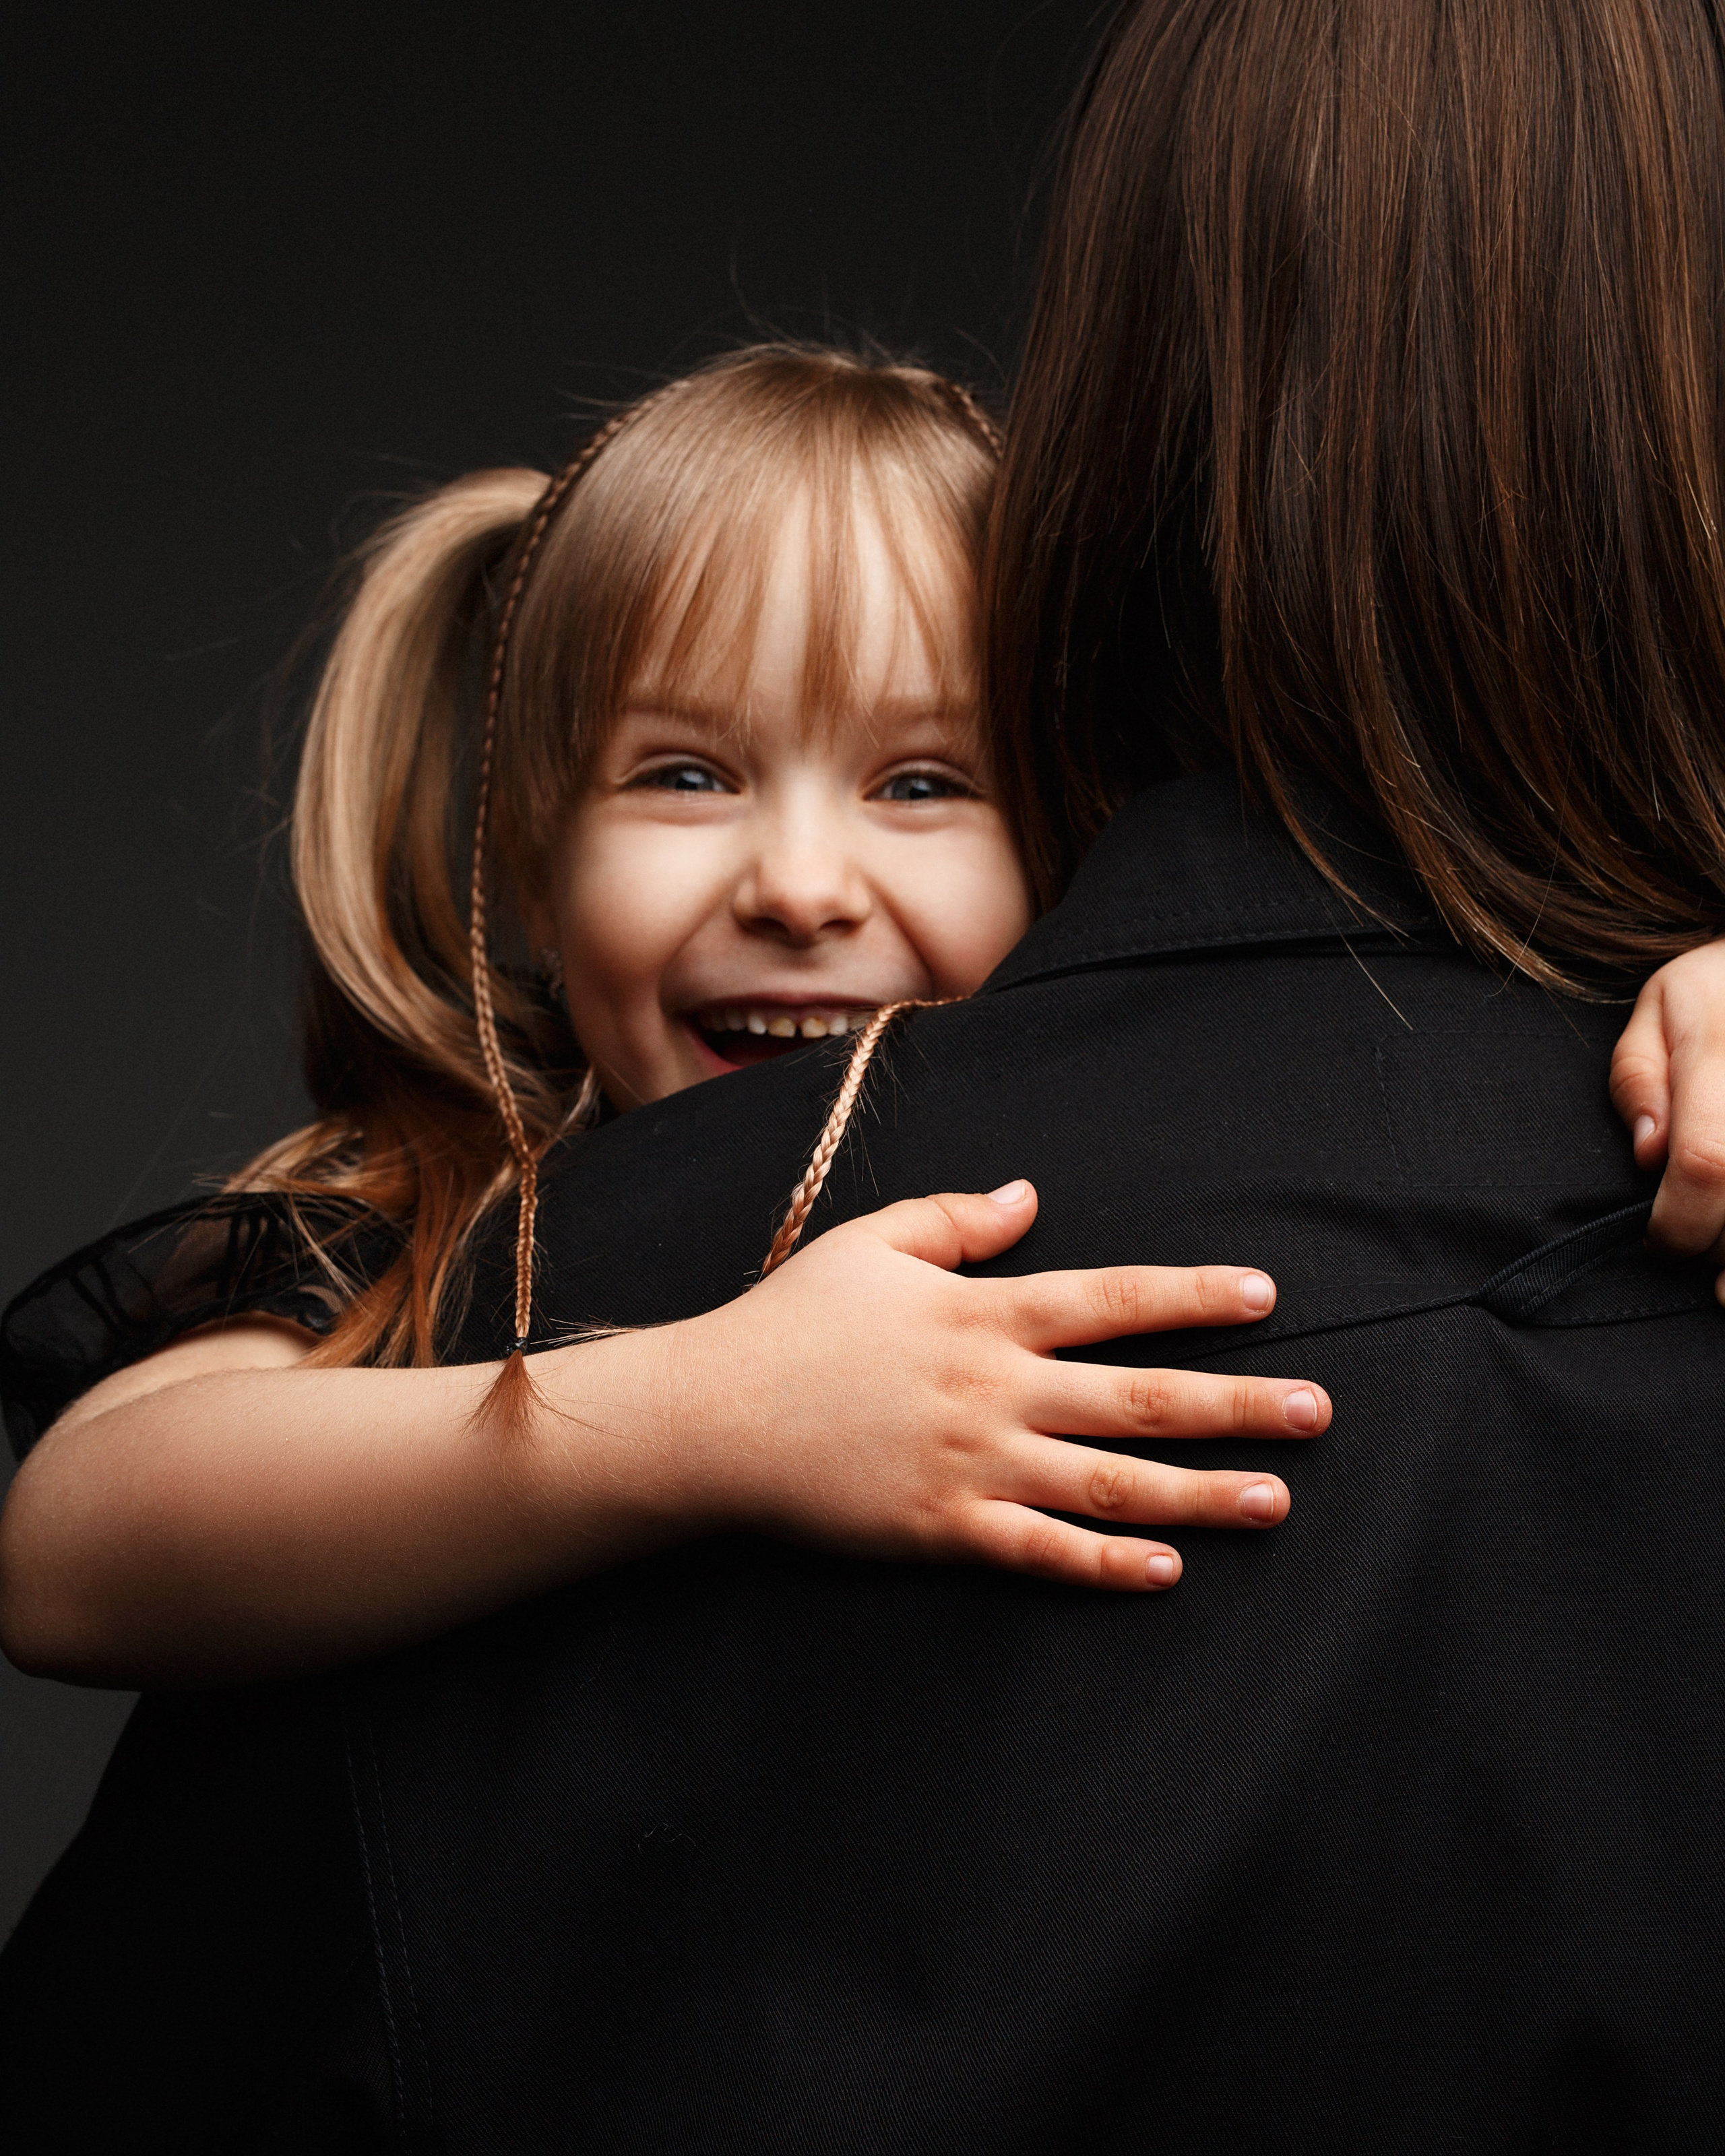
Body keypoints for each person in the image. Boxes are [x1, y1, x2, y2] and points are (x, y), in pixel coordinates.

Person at [6, 3, 1725, 2131]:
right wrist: (702, 1411)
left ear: (1079, 817)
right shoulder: (431, 1212)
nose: (800, 881)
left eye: (923, 781)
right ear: (529, 856)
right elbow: (72, 1538)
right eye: (686, 774)